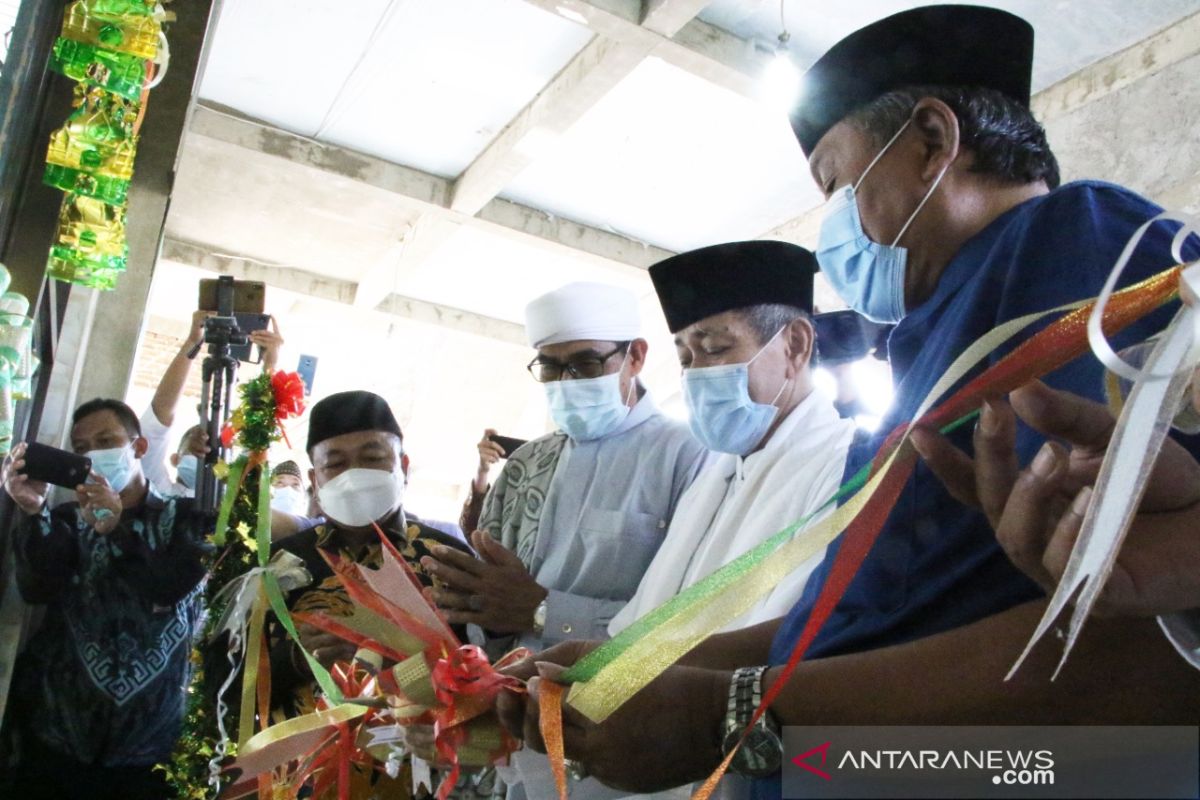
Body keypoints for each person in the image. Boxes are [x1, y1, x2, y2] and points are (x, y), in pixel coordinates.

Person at [497, 6, 1200, 795]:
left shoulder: (1081, 256)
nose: (837, 230)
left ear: (932, 144)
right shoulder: (942, 326)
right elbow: (852, 621)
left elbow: (1148, 634)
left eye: (837, 184)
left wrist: (728, 718)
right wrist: (627, 665)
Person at [423, 281, 707, 800]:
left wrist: (542, 611)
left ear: (636, 357)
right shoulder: (526, 464)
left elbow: (694, 617)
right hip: (519, 743)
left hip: (621, 746)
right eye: (550, 367)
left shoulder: (688, 457)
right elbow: (491, 615)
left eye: (584, 363)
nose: (565, 381)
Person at [612, 241, 853, 638]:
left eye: (715, 348)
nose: (695, 375)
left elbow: (790, 637)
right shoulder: (715, 474)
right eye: (686, 359)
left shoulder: (844, 467)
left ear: (795, 345)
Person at [266, 391, 471, 798]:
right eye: (336, 464)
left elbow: (486, 672)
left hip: (414, 776)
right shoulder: (283, 563)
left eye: (373, 458)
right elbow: (229, 672)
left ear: (403, 466)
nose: (354, 475)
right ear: (314, 479)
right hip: (296, 776)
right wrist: (294, 657)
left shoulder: (446, 561)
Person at [2, 399, 209, 800]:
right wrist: (33, 511)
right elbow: (37, 589)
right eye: (81, 449)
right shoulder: (64, 520)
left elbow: (166, 588)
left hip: (152, 752)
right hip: (56, 739)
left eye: (106, 441)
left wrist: (116, 530)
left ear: (139, 447)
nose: (94, 454)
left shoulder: (186, 519)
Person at [140, 311, 283, 496]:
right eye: (198, 447)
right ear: (176, 459)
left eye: (215, 448)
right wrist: (193, 341)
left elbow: (259, 438)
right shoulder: (158, 490)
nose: (205, 451)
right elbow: (159, 416)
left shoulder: (234, 504)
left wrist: (271, 363)